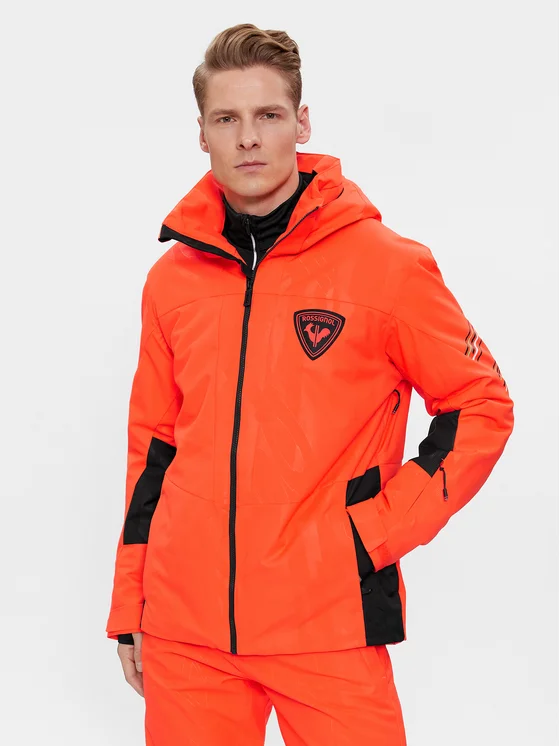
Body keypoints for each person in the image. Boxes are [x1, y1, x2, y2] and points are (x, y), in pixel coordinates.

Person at [105, 22, 514, 746]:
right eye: (226, 119)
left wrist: (373, 534)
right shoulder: (171, 282)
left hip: (329, 626)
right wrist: (131, 603)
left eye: (267, 115)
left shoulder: (386, 267)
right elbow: (154, 449)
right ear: (201, 134)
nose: (248, 138)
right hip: (186, 632)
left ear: (302, 123)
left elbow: (481, 403)